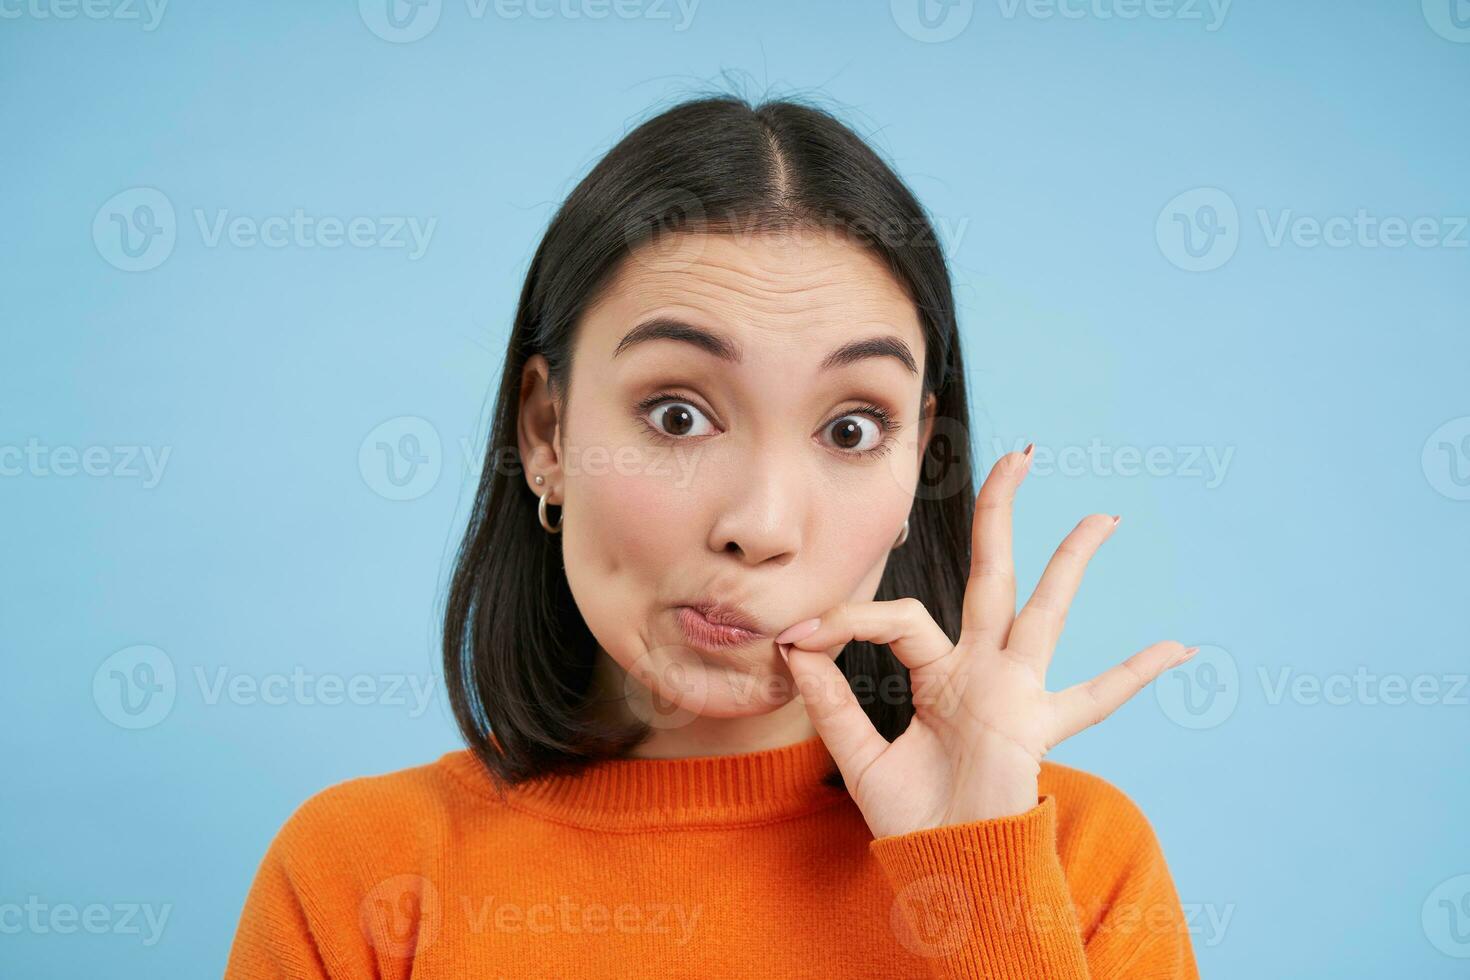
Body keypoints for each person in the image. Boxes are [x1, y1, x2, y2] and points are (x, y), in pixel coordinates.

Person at [224, 93, 1201, 979]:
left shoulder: (1076, 861)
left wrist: (982, 894)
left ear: (916, 467)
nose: (761, 526)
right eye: (678, 415)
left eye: (851, 428)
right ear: (547, 433)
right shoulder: (356, 878)